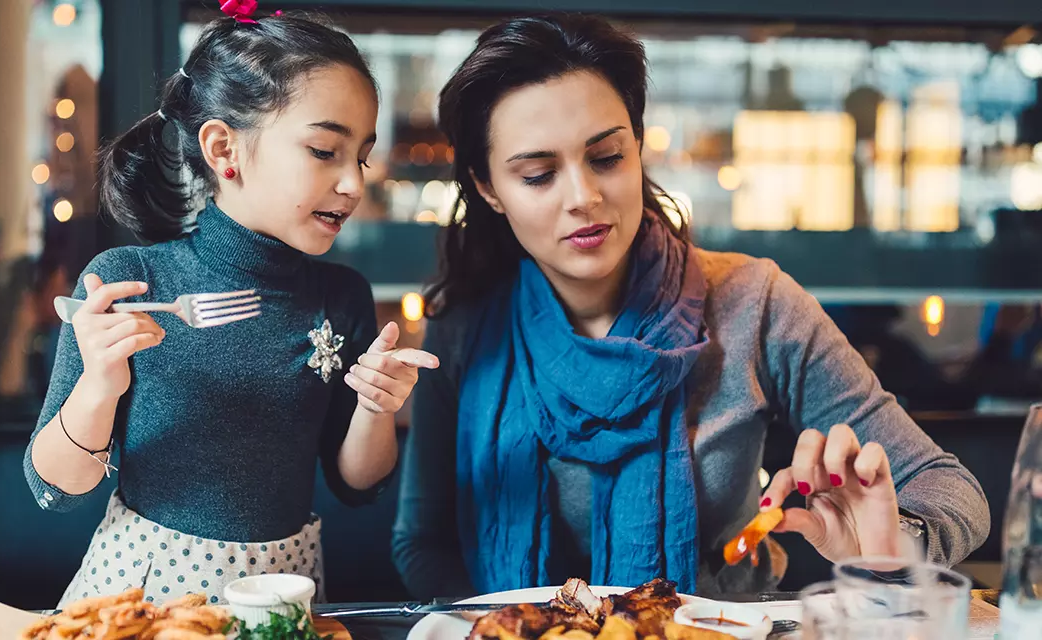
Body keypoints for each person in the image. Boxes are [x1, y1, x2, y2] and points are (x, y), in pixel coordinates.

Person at [392, 14, 988, 598]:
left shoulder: (753, 301)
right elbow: (422, 544)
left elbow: (949, 488)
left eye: (606, 158)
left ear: (638, 147)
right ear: (490, 187)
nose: (585, 197)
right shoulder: (467, 327)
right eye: (539, 174)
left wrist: (888, 545)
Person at [24, 6, 437, 606]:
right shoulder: (130, 281)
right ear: (224, 150)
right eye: (325, 150)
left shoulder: (341, 295)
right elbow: (54, 488)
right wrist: (99, 386)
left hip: (283, 592)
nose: (354, 182)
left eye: (362, 157)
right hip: (142, 599)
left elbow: (357, 486)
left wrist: (376, 406)